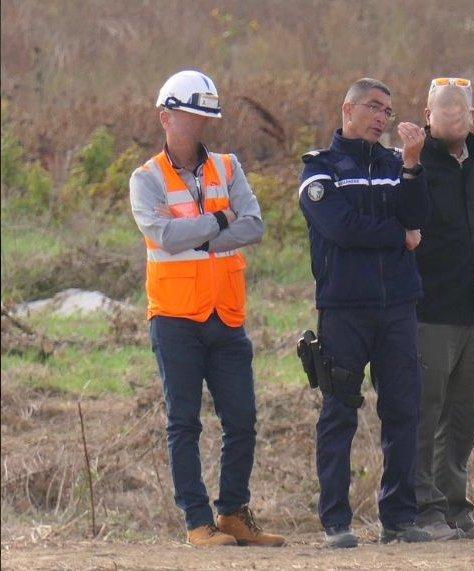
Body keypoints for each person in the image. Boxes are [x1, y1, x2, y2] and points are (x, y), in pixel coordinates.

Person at [129, 70, 284, 548]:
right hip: (175, 316)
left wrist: (198, 231)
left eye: (205, 117)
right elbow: (164, 236)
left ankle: (233, 514)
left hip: (226, 314)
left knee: (242, 419)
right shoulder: (146, 178)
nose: (199, 125)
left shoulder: (229, 167)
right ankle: (197, 521)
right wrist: (219, 220)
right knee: (184, 422)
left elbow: (254, 226)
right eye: (191, 116)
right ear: (165, 116)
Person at [298, 78, 432, 548]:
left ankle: (398, 517)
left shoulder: (399, 165)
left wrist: (414, 166)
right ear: (347, 109)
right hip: (344, 309)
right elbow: (341, 228)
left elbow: (419, 217)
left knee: (403, 411)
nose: (382, 118)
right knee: (339, 412)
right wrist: (398, 236)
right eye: (373, 107)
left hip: (397, 306)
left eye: (388, 111)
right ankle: (336, 521)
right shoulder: (320, 170)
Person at [413, 79, 474, 541]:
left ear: (471, 117)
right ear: (427, 117)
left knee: (463, 417)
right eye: (440, 117)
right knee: (426, 413)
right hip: (431, 311)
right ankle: (423, 506)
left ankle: (455, 507)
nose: (449, 124)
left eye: (458, 115)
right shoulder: (415, 163)